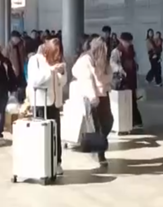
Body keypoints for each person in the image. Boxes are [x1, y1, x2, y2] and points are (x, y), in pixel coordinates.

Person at [27, 38, 67, 173]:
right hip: (41, 103)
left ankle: (57, 162)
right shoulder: (35, 60)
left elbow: (62, 82)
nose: (57, 55)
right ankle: (42, 162)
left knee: (56, 134)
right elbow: (35, 81)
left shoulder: (58, 61)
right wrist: (51, 71)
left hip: (55, 102)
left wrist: (62, 73)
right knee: (42, 135)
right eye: (55, 52)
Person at [72, 36, 113, 167]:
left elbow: (108, 76)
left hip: (104, 94)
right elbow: (88, 80)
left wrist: (102, 78)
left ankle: (97, 149)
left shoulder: (103, 60)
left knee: (108, 122)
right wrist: (93, 96)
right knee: (97, 126)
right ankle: (100, 154)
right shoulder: (86, 60)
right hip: (93, 97)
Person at [113, 32, 143, 130]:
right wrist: (120, 69)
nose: (128, 44)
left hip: (132, 78)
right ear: (121, 40)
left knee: (132, 99)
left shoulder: (132, 51)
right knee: (127, 100)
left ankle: (135, 122)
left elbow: (136, 62)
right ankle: (132, 121)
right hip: (122, 79)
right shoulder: (116, 51)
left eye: (129, 42)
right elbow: (112, 63)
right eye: (126, 41)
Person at [6, 31, 27, 101]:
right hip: (13, 71)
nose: (17, 40)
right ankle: (14, 101)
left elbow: (24, 56)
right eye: (16, 39)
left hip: (22, 70)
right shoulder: (8, 47)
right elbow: (4, 58)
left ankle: (21, 100)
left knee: (22, 86)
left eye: (18, 39)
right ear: (12, 38)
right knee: (14, 87)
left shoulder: (21, 46)